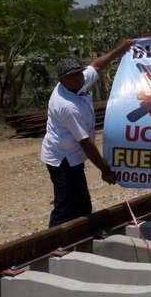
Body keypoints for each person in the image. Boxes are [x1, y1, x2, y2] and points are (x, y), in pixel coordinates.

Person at [40, 39, 134, 227]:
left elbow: (98, 65)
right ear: (61, 80)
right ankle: (54, 241)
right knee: (65, 204)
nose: (76, 78)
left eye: (78, 74)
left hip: (72, 155)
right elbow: (85, 143)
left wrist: (121, 48)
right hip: (61, 158)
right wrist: (105, 170)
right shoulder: (67, 105)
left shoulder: (78, 83)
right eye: (70, 77)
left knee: (82, 202)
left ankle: (82, 233)